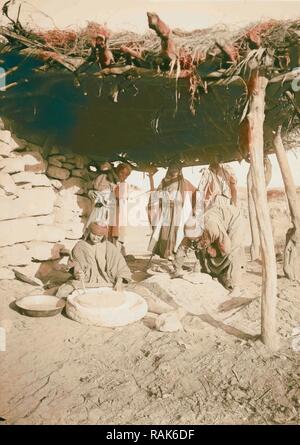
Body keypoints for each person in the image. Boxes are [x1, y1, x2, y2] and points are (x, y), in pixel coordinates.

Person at [56, 222, 132, 298]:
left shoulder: (109, 247)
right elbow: (76, 267)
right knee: (62, 293)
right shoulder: (80, 246)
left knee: (128, 294)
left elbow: (121, 267)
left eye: (99, 236)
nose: (96, 238)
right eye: (93, 234)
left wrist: (119, 282)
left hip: (108, 281)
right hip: (85, 282)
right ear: (88, 232)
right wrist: (78, 274)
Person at [148, 162, 198, 276]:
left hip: (179, 212)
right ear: (169, 169)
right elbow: (156, 194)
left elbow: (196, 192)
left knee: (177, 235)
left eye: (177, 168)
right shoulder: (164, 181)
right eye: (172, 168)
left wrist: (195, 209)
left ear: (180, 170)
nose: (174, 170)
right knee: (164, 234)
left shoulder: (184, 183)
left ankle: (175, 259)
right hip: (166, 212)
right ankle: (168, 258)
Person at [196, 202, 246, 297]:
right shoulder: (193, 231)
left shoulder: (212, 229)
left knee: (234, 251)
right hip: (219, 218)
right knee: (204, 249)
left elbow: (227, 249)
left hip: (235, 219)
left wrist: (216, 252)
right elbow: (189, 247)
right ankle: (214, 273)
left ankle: (236, 287)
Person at [88, 162, 132, 253]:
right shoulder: (105, 177)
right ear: (117, 171)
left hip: (116, 215)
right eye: (122, 173)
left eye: (126, 175)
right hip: (102, 212)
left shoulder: (123, 184)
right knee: (99, 233)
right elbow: (96, 190)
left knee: (113, 237)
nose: (123, 176)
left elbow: (122, 199)